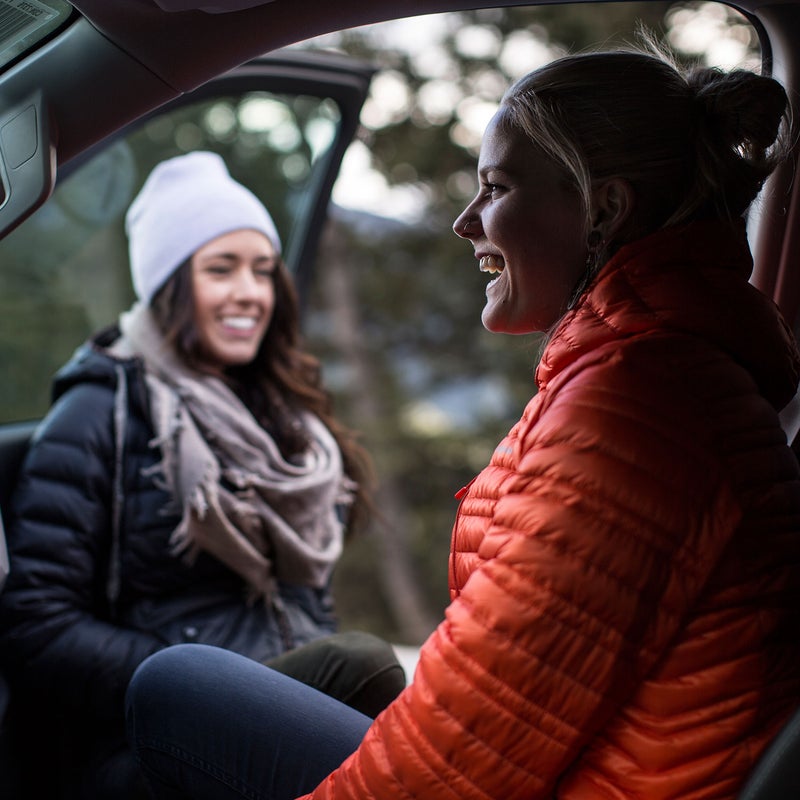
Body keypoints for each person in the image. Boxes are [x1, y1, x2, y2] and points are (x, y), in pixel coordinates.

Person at [125, 46, 800, 800]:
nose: (463, 221)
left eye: (496, 187)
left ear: (604, 208)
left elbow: (464, 760)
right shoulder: (653, 371)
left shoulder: (643, 407)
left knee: (176, 687)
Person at [0, 151, 405, 800]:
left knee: (397, 692)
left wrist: (264, 682)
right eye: (222, 269)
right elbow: (36, 622)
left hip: (257, 694)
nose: (250, 291)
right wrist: (217, 675)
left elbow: (304, 596)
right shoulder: (101, 407)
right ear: (169, 283)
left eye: (263, 271)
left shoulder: (278, 416)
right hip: (141, 733)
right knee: (361, 664)